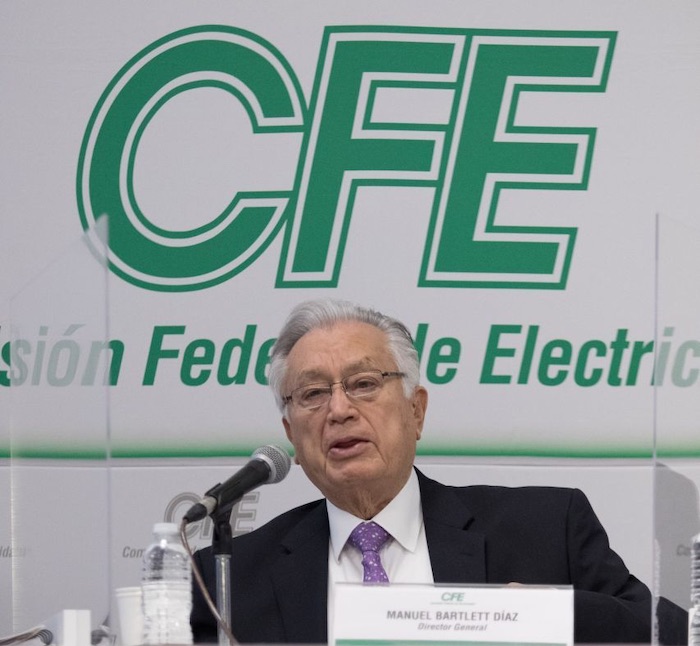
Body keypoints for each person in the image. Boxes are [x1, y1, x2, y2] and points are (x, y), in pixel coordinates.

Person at [191, 298, 688, 644]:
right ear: (292, 434)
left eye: (364, 383)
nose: (338, 410)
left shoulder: (545, 527)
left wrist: (548, 614)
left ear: (416, 412)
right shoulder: (228, 579)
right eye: (313, 394)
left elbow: (671, 634)